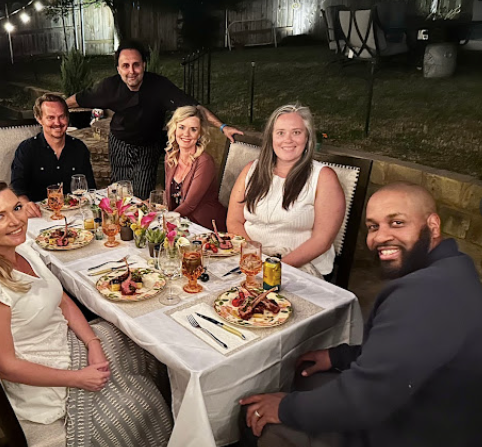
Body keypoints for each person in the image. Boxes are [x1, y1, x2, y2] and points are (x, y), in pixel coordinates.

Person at [239, 182, 482, 447]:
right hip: (423, 408)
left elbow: (363, 400)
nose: (380, 237)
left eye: (397, 223)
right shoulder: (455, 266)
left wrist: (284, 408)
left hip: (410, 431)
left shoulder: (424, 294)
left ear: (433, 225)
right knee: (303, 374)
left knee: (253, 412)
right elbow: (401, 353)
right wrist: (337, 356)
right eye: (373, 226)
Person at [0, 178, 172, 446]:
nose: (15, 221)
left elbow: (61, 299)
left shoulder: (22, 247)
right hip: (46, 379)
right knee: (136, 406)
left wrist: (92, 343)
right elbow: (5, 366)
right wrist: (79, 378)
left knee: (143, 346)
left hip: (64, 343)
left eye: (16, 208)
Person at [67, 39, 242, 200]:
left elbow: (195, 108)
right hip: (119, 143)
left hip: (148, 146)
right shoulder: (109, 87)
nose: (131, 71)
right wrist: (55, 108)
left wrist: (223, 127)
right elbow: (78, 99)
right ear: (118, 69)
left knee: (142, 194)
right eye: (125, 66)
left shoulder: (160, 86)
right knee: (119, 192)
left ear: (144, 65)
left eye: (136, 65)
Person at [227, 104, 345, 277]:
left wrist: (275, 267)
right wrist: (253, 257)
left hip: (297, 266)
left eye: (296, 132)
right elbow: (234, 221)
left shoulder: (323, 178)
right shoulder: (251, 170)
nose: (288, 140)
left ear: (308, 137)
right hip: (250, 258)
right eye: (280, 133)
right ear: (271, 137)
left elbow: (322, 240)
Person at [11, 92, 96, 218]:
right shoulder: (27, 149)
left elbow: (90, 187)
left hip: (76, 215)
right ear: (39, 119)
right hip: (39, 216)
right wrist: (26, 204)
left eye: (62, 117)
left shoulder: (79, 148)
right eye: (50, 117)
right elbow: (17, 189)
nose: (57, 122)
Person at [163, 106, 227, 231]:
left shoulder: (204, 162)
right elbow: (168, 195)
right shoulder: (171, 156)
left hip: (203, 227)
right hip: (179, 222)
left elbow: (189, 205)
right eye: (181, 127)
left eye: (193, 129)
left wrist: (164, 221)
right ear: (174, 128)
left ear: (199, 134)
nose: (186, 134)